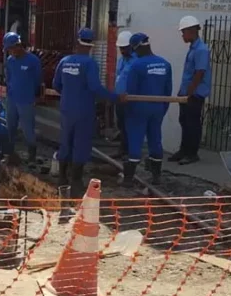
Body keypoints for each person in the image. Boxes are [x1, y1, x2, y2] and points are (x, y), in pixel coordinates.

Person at [52, 28, 119, 199]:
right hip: (84, 110)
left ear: (77, 41)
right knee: (80, 144)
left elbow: (56, 85)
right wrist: (114, 97)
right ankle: (75, 180)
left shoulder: (65, 61)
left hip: (67, 109)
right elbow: (95, 87)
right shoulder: (90, 64)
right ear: (91, 45)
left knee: (66, 141)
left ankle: (61, 178)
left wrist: (69, 93)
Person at [121, 33, 173, 186]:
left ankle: (128, 179)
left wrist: (127, 111)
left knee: (135, 141)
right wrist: (162, 110)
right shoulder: (165, 64)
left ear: (135, 48)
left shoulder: (136, 66)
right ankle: (156, 177)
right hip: (157, 108)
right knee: (155, 140)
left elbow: (131, 91)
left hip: (138, 108)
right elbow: (167, 91)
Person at [171, 16, 212, 165]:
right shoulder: (194, 48)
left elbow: (199, 73)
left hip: (195, 94)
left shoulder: (201, 49)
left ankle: (192, 153)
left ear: (191, 31)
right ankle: (184, 150)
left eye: (184, 32)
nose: (183, 35)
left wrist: (189, 93)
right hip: (187, 92)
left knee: (192, 123)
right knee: (184, 121)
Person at [2, 32, 43, 163]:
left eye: (12, 49)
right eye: (9, 50)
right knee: (10, 127)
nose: (11, 52)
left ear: (19, 46)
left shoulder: (33, 61)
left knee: (27, 129)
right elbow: (8, 77)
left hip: (26, 100)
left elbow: (38, 80)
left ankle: (31, 154)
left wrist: (34, 95)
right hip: (12, 99)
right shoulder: (10, 61)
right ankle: (9, 153)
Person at [114, 30, 134, 158]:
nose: (122, 50)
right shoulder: (121, 60)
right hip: (119, 98)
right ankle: (122, 149)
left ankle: (130, 151)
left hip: (130, 99)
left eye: (124, 48)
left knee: (130, 125)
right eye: (121, 48)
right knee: (121, 124)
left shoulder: (136, 61)